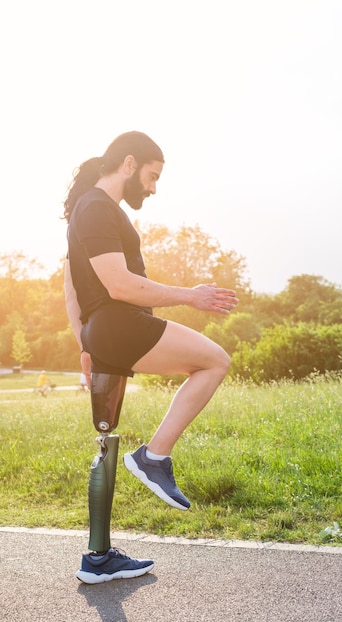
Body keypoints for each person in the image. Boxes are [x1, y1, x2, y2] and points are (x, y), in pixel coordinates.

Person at [64, 131, 238, 584]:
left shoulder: (85, 209)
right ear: (128, 163)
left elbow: (70, 286)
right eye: (152, 176)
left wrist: (84, 343)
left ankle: (98, 557)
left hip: (101, 334)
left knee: (105, 440)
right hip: (122, 325)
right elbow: (120, 286)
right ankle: (154, 457)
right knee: (215, 361)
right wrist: (191, 296)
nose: (154, 188)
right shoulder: (100, 207)